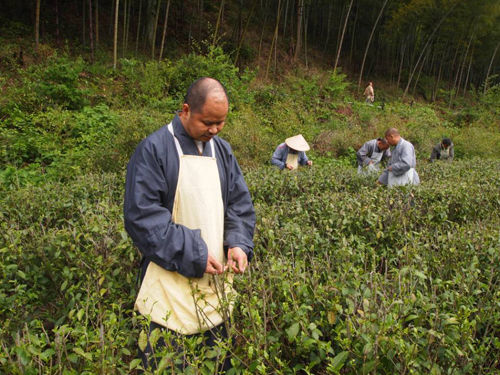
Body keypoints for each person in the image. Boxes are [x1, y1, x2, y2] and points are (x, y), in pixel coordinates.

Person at [124, 77, 256, 371]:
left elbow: (239, 204)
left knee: (217, 363)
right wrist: (194, 253)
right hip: (167, 289)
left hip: (216, 285)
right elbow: (143, 218)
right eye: (208, 122)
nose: (214, 130)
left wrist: (238, 243)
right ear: (185, 110)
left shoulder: (222, 151)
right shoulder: (154, 149)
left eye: (221, 123)